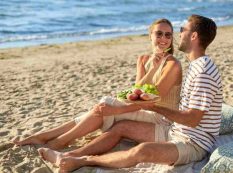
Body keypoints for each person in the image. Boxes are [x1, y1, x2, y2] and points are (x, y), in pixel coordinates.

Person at [38, 14, 223, 172]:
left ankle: (81, 161)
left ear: (194, 36)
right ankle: (69, 155)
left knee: (142, 151)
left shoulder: (203, 71)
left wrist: (155, 107)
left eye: (183, 29)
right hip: (175, 131)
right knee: (122, 127)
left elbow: (192, 119)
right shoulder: (196, 66)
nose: (179, 33)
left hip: (194, 144)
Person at [13, 18, 182, 150]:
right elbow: (136, 93)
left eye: (168, 35)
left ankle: (56, 141)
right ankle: (47, 137)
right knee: (102, 107)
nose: (163, 39)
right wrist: (152, 68)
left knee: (106, 105)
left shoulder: (172, 64)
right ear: (150, 35)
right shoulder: (143, 59)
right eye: (159, 34)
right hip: (143, 110)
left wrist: (116, 109)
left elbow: (150, 101)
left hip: (162, 119)